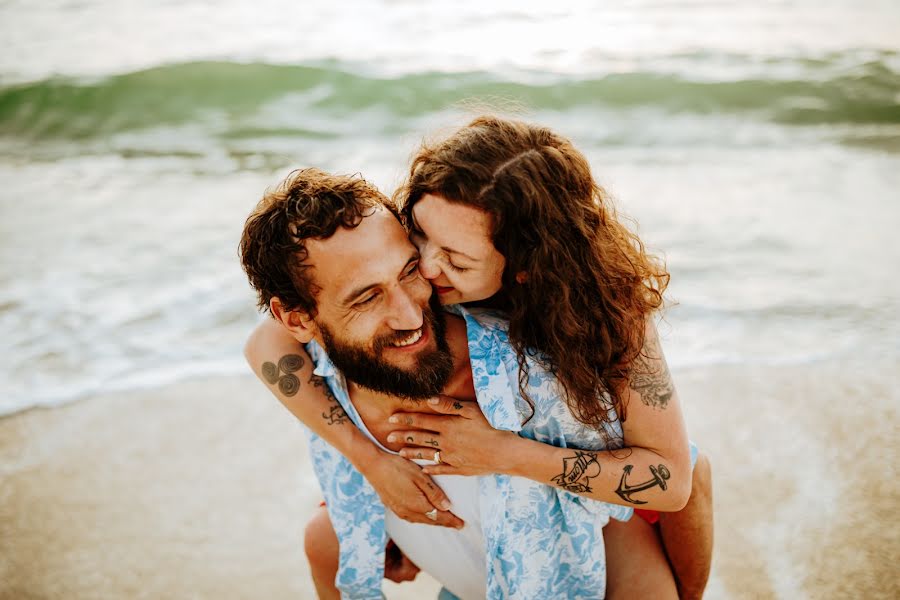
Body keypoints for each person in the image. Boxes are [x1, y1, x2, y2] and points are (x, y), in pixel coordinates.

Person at [245, 116, 712, 598]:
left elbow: (677, 479)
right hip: (483, 539)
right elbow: (268, 341)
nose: (425, 269)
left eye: (455, 259)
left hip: (595, 518)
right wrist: (371, 464)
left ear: (526, 267)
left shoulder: (608, 318)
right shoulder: (415, 270)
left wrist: (504, 453)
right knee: (324, 535)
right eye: (419, 238)